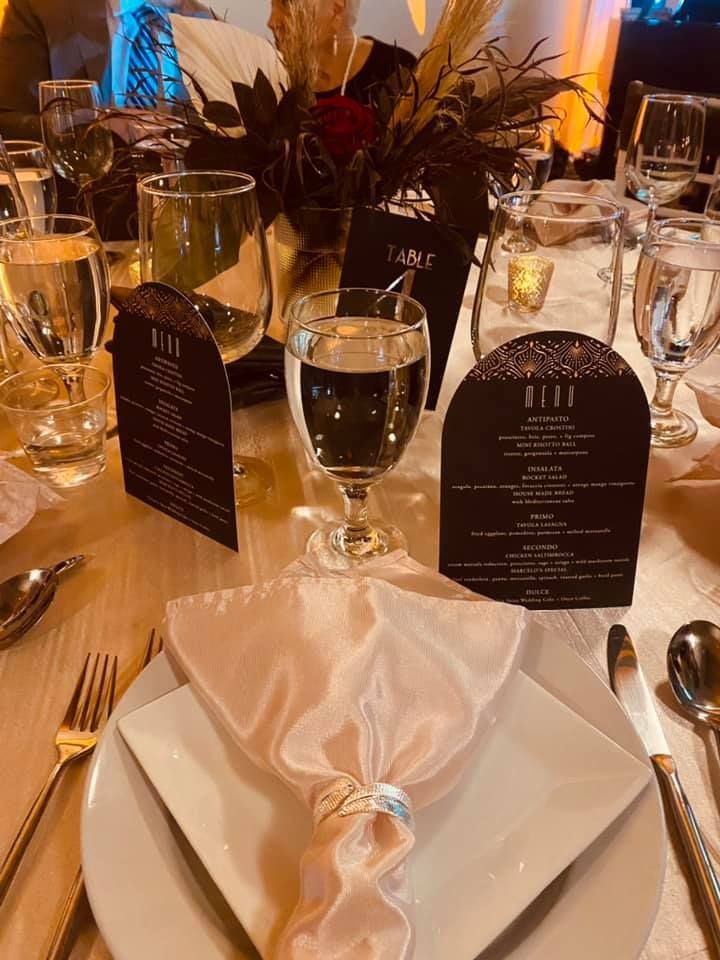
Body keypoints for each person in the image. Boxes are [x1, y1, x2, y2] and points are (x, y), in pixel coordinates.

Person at [0, 0, 209, 139]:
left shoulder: (206, 22)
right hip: (79, 196)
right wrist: (97, 129)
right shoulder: (40, 8)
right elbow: (8, 122)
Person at [267, 0, 416, 106]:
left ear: (337, 8)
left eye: (287, 3)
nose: (271, 22)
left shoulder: (396, 69)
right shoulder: (275, 83)